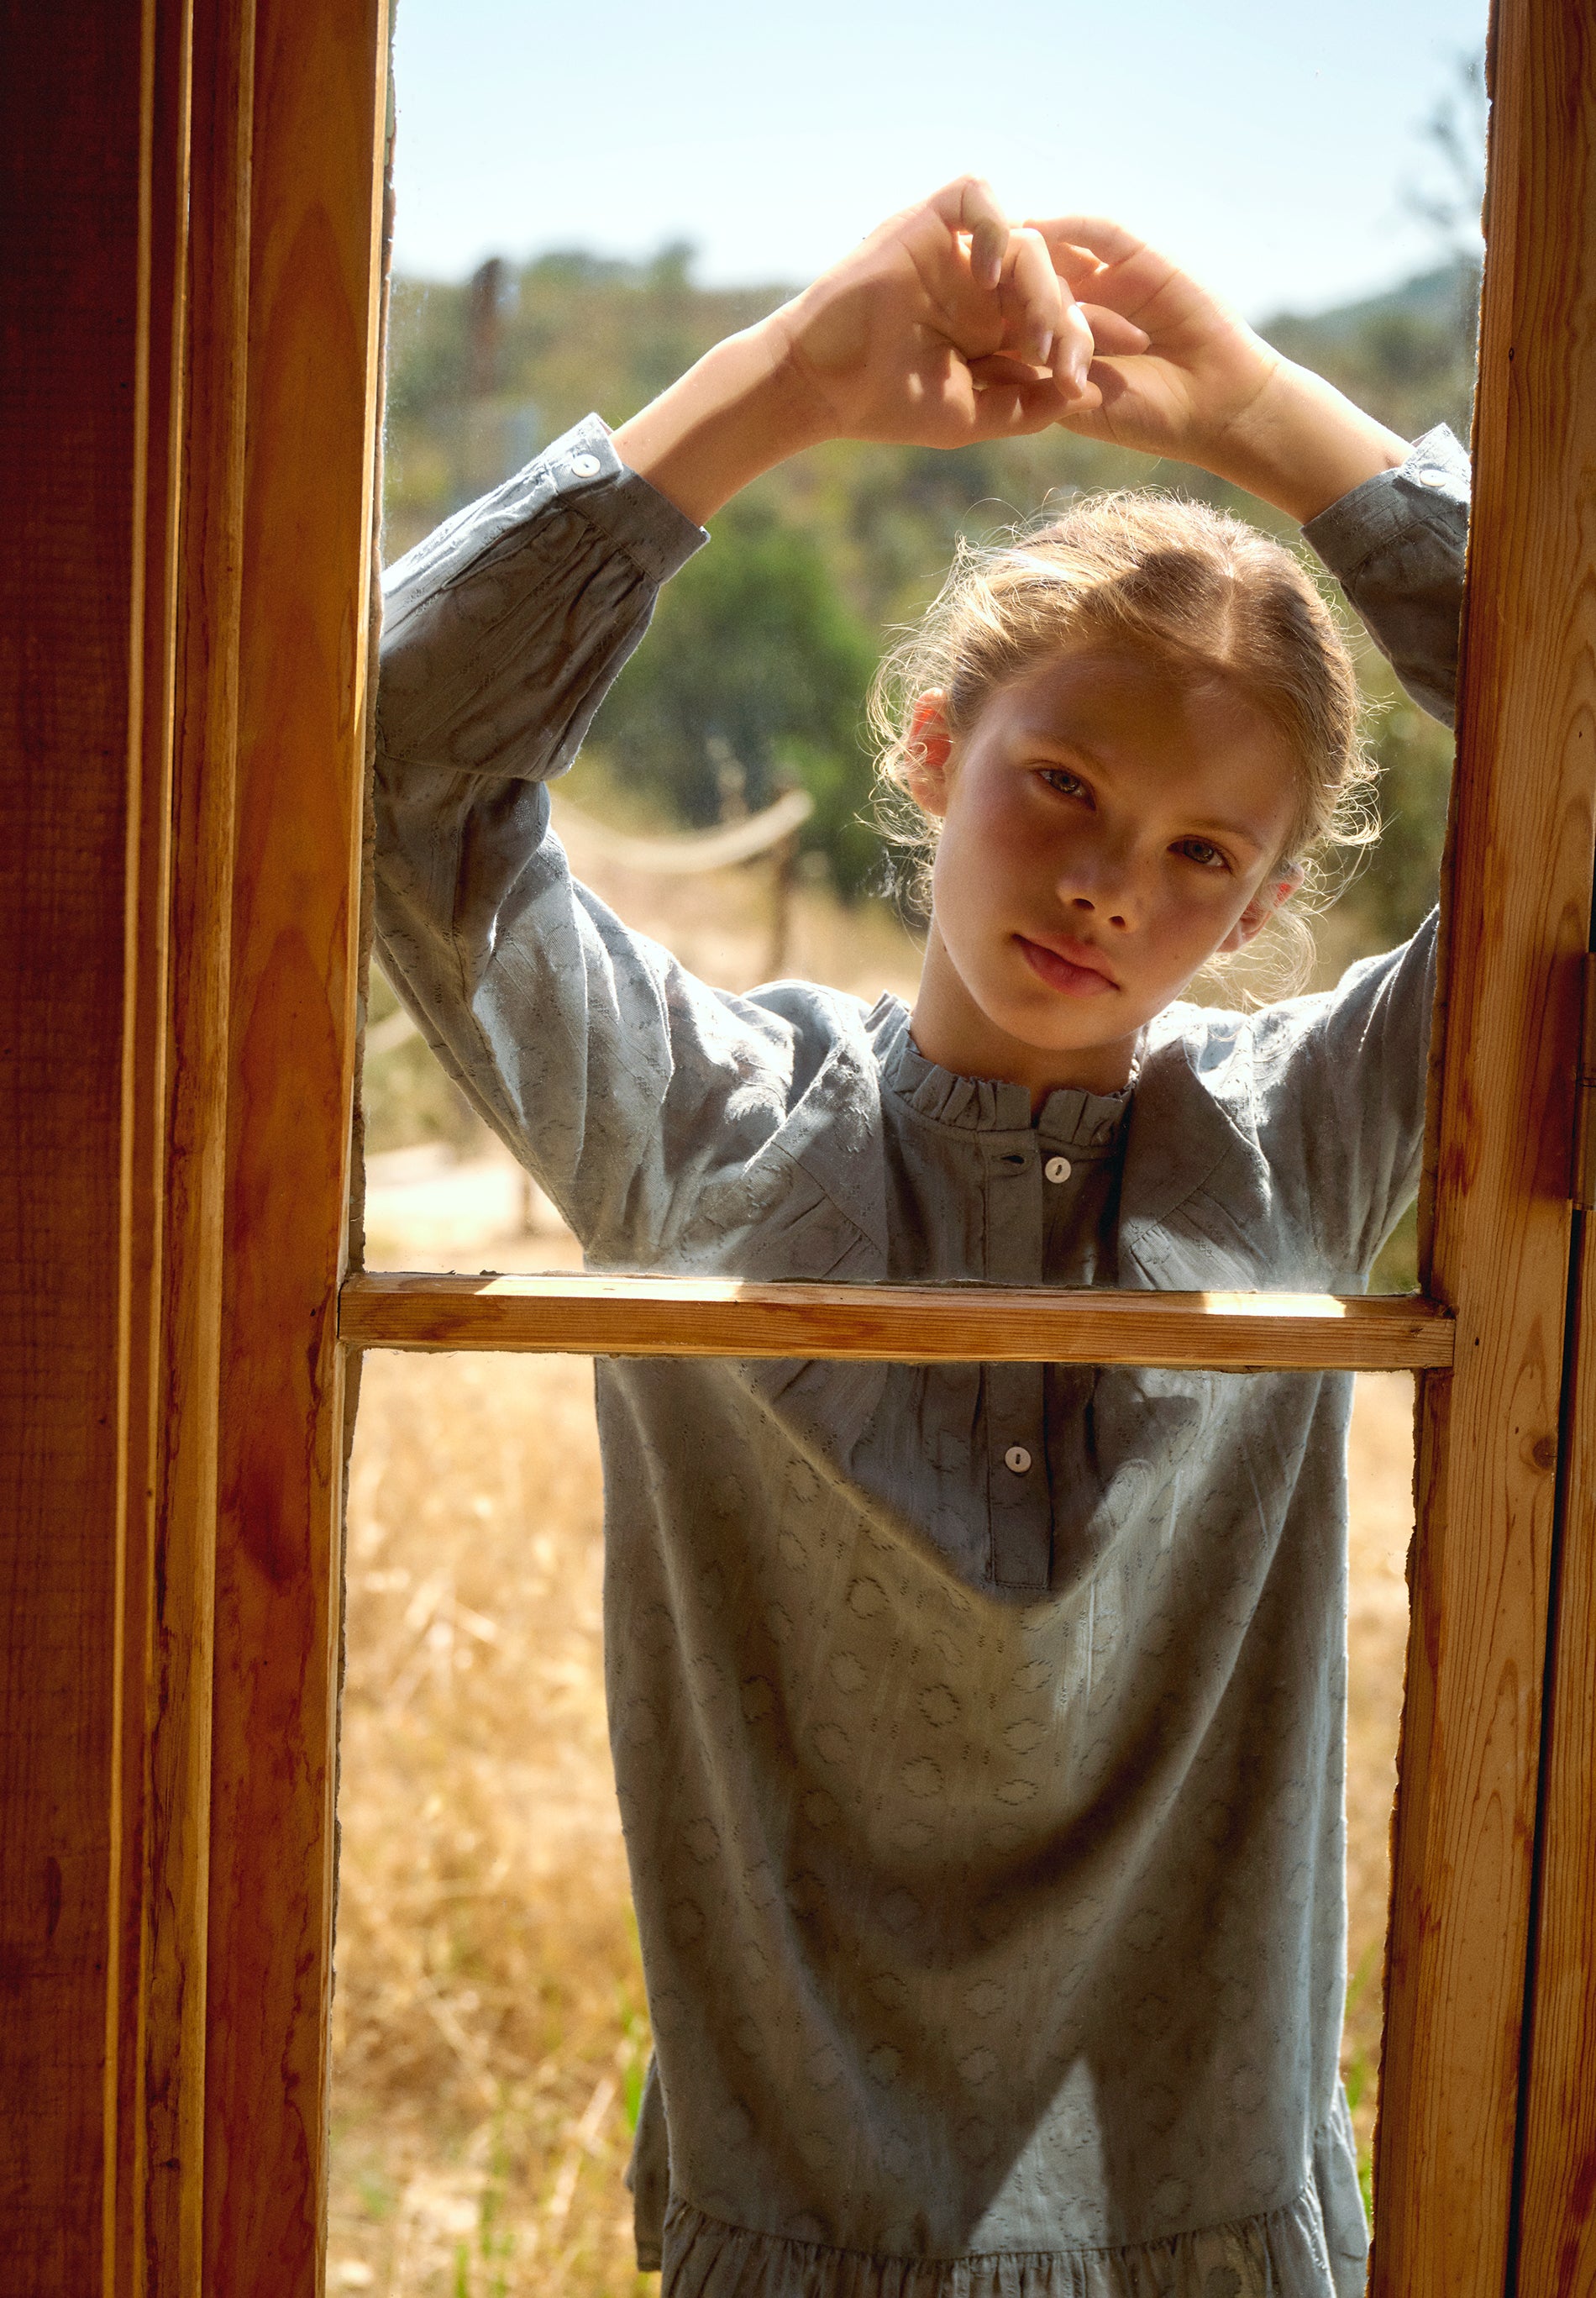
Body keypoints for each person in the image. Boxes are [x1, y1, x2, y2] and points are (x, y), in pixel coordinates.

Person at [373, 182, 1468, 2298]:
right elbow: (404, 764)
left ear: (1255, 910)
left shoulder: (1297, 1144)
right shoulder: (706, 1126)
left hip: (1216, 2242)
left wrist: (1262, 418)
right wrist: (781, 381)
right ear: (933, 750)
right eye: (1055, 783)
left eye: (1194, 855)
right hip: (800, 2240)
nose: (1105, 888)